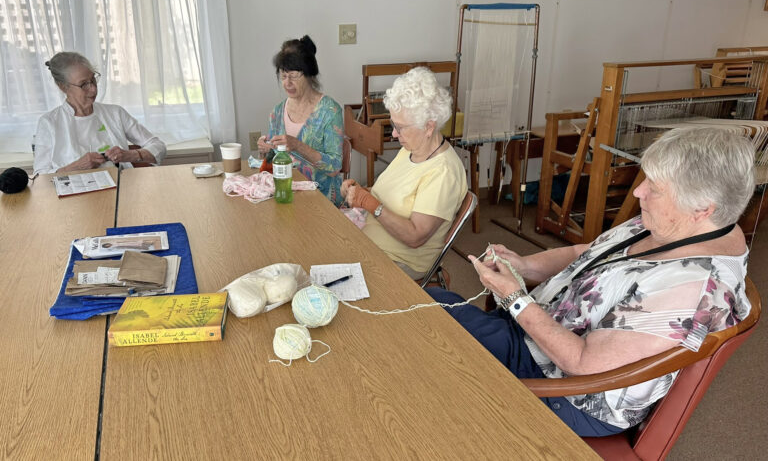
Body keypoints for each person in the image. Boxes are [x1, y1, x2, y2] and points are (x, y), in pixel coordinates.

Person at [427, 127, 755, 436]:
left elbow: (582, 363)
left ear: (702, 208)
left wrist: (515, 299)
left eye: (654, 188)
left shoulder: (691, 289)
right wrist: (524, 266)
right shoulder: (680, 223)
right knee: (433, 302)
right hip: (538, 336)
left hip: (566, 391)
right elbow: (589, 252)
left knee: (425, 333)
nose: (639, 191)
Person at [341, 67, 467, 279]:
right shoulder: (411, 149)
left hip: (401, 261)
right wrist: (359, 193)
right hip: (370, 241)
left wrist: (369, 203)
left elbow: (415, 236)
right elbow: (391, 195)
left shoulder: (443, 172)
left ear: (429, 127)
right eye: (393, 124)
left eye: (400, 127)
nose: (395, 134)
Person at [33, 52, 166, 175]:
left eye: (93, 79)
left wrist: (130, 155)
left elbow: (159, 146)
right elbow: (40, 175)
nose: (93, 89)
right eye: (83, 84)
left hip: (121, 189)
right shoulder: (49, 122)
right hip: (74, 197)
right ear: (63, 86)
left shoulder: (115, 113)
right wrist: (76, 166)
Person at [257, 35, 344, 205]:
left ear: (309, 74)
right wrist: (265, 150)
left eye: (294, 76)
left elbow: (334, 167)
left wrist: (297, 145)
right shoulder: (277, 112)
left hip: (321, 200)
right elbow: (274, 160)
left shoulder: (329, 111)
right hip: (285, 196)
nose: (287, 83)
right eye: (283, 76)